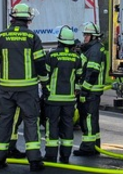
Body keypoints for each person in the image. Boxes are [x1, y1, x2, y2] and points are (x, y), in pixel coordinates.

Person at [0, 3, 47, 172]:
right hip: (28, 89)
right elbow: (40, 63)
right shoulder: (32, 37)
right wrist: (45, 83)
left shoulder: (1, 36)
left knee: (5, 122)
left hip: (6, 88)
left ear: (13, 18)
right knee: (31, 121)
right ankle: (34, 160)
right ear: (28, 19)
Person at [43, 26, 84, 164]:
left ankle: (51, 155)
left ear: (59, 41)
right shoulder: (76, 57)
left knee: (52, 126)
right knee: (67, 126)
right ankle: (65, 156)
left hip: (53, 98)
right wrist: (75, 90)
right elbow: (79, 77)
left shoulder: (51, 55)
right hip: (69, 99)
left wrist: (45, 91)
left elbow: (45, 75)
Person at [74, 21, 108, 157]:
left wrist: (84, 91)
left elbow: (92, 72)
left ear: (94, 36)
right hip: (92, 90)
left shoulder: (94, 51)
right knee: (92, 118)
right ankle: (95, 145)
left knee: (88, 118)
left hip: (90, 91)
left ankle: (88, 148)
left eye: (87, 35)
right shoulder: (94, 48)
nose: (85, 37)